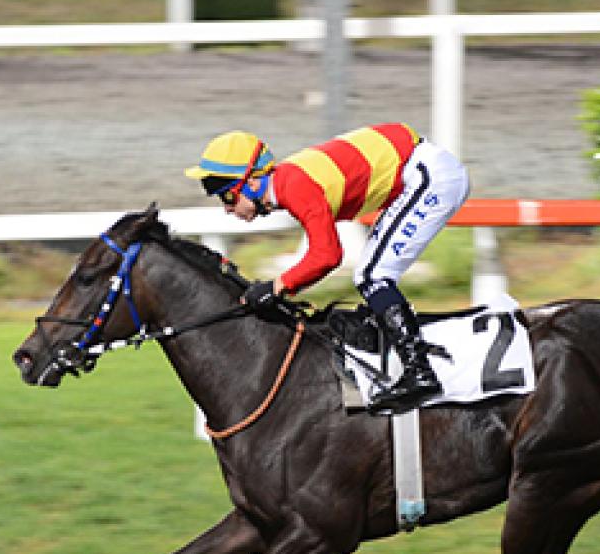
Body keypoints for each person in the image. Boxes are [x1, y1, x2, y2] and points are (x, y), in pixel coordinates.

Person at [184, 123, 470, 415]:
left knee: (372, 276)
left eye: (228, 197)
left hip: (428, 177)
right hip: (415, 173)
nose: (227, 209)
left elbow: (328, 254)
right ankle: (399, 352)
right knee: (371, 275)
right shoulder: (288, 183)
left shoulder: (295, 186)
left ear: (253, 182)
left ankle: (420, 372)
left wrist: (277, 287)